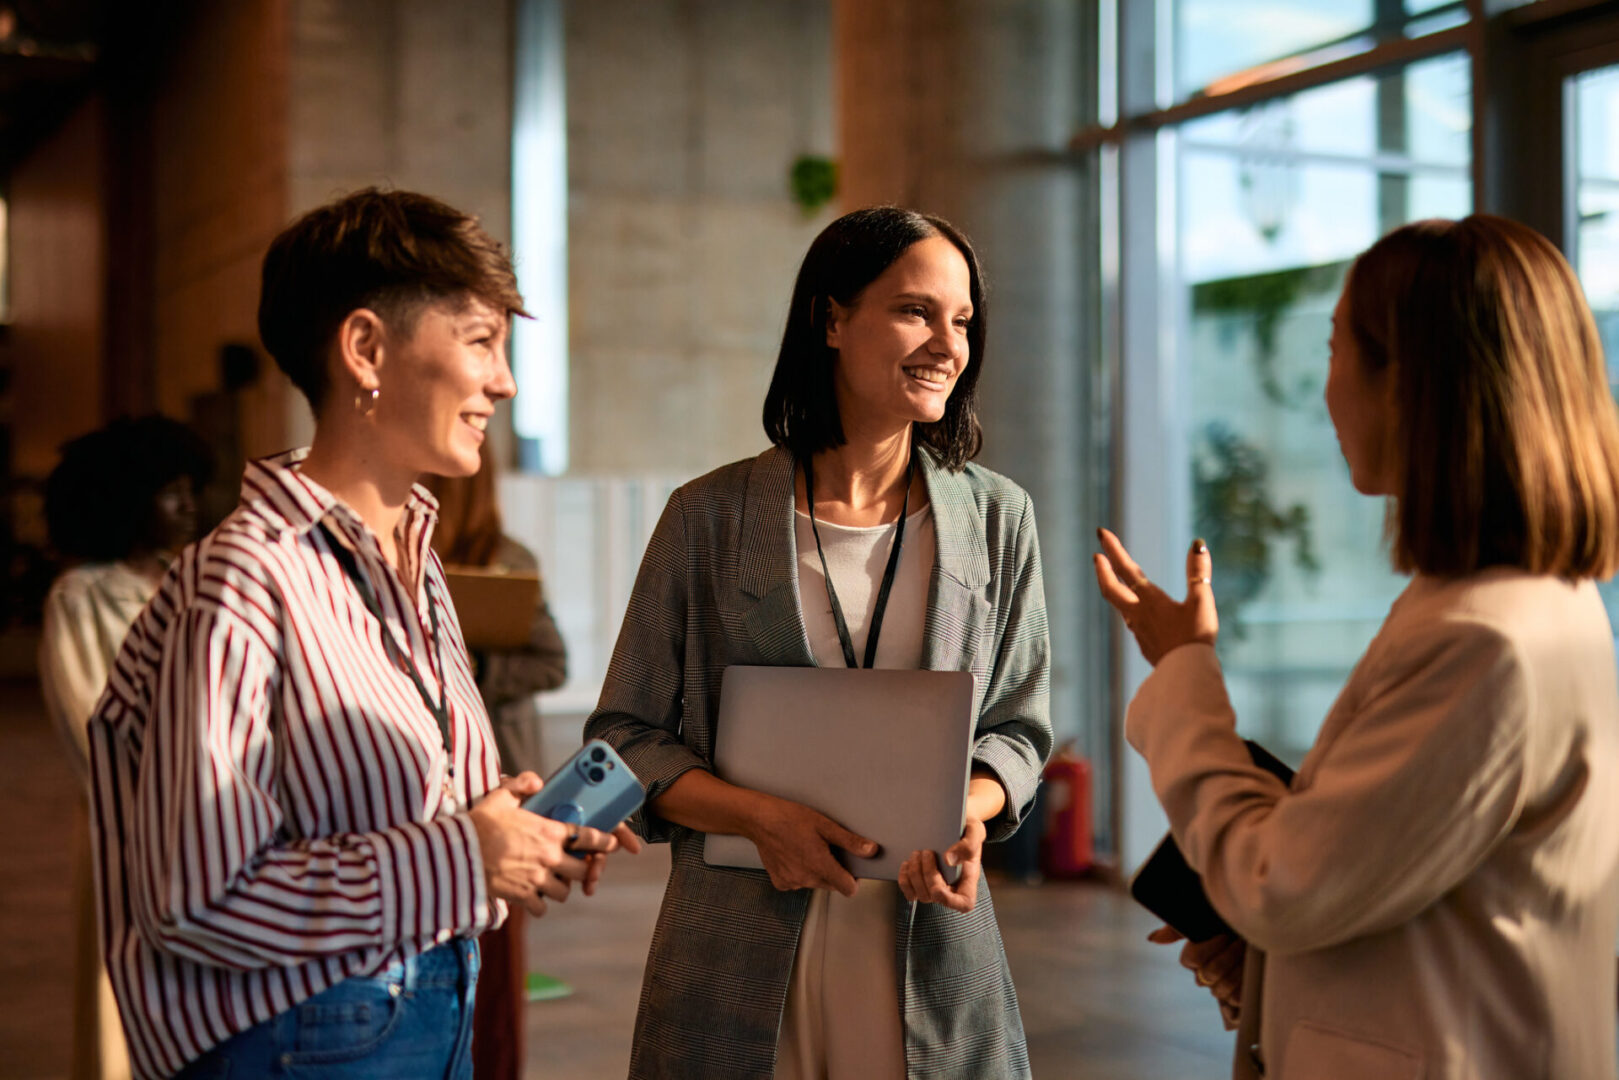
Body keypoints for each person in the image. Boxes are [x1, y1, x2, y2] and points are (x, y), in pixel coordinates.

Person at [85, 188, 637, 1080]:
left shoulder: (409, 559)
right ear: (366, 349)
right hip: (309, 1039)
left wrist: (511, 828)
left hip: (425, 1008)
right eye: (481, 342)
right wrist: (463, 853)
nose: (505, 380)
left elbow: (372, 815)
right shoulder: (246, 578)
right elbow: (195, 897)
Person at [1094, 214, 1619, 1079]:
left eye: (1336, 347)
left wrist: (1184, 673)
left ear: (1408, 385)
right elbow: (1419, 881)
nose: (1324, 387)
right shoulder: (1526, 605)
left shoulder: (1480, 640)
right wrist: (1267, 960)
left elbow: (1280, 886)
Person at [586, 205, 1052, 1079]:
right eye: (916, 311)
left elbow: (1019, 731)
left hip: (931, 949)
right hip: (735, 953)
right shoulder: (709, 517)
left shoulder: (997, 518)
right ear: (831, 319)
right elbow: (620, 739)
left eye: (961, 320)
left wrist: (971, 809)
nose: (947, 344)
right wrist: (758, 817)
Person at [39, 414, 212, 1080]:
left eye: (192, 488)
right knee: (124, 1012)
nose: (190, 505)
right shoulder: (81, 598)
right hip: (131, 826)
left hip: (210, 830)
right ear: (128, 499)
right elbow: (92, 725)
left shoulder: (195, 578)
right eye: (171, 492)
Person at [421, 445, 570, 1080]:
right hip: (429, 779)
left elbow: (552, 662)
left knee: (497, 956)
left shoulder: (509, 560)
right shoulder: (392, 553)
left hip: (503, 770)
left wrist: (476, 669)